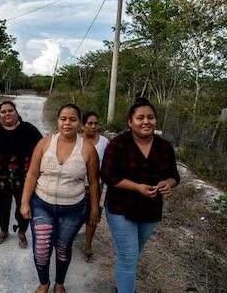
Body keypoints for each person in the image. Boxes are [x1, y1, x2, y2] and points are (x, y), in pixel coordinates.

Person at [101, 97, 180, 293]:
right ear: (130, 122)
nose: (146, 121)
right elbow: (108, 175)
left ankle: (122, 285)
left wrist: (168, 183)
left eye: (151, 117)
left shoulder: (164, 147)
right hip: (120, 208)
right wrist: (136, 187)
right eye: (140, 118)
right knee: (129, 256)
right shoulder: (118, 144)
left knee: (132, 255)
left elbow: (174, 175)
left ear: (156, 121)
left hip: (150, 209)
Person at [21, 103, 100, 293]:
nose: (67, 123)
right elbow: (32, 174)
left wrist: (95, 209)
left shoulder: (88, 149)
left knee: (63, 248)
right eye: (63, 119)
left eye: (72, 119)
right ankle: (44, 283)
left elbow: (94, 182)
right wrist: (24, 201)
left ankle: (59, 283)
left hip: (73, 209)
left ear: (79, 123)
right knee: (41, 249)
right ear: (58, 121)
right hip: (42, 205)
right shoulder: (44, 143)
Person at [0, 101, 42, 248]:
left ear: (16, 112)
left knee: (24, 205)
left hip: (24, 179)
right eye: (3, 111)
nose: (7, 114)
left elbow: (41, 149)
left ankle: (21, 231)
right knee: (1, 207)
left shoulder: (29, 129)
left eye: (10, 110)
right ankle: (3, 231)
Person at [81, 111, 109, 263]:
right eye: (90, 123)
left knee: (93, 216)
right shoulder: (76, 140)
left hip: (95, 186)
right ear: (82, 125)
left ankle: (88, 246)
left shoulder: (105, 142)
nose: (93, 126)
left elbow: (109, 165)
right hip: (75, 186)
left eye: (96, 123)